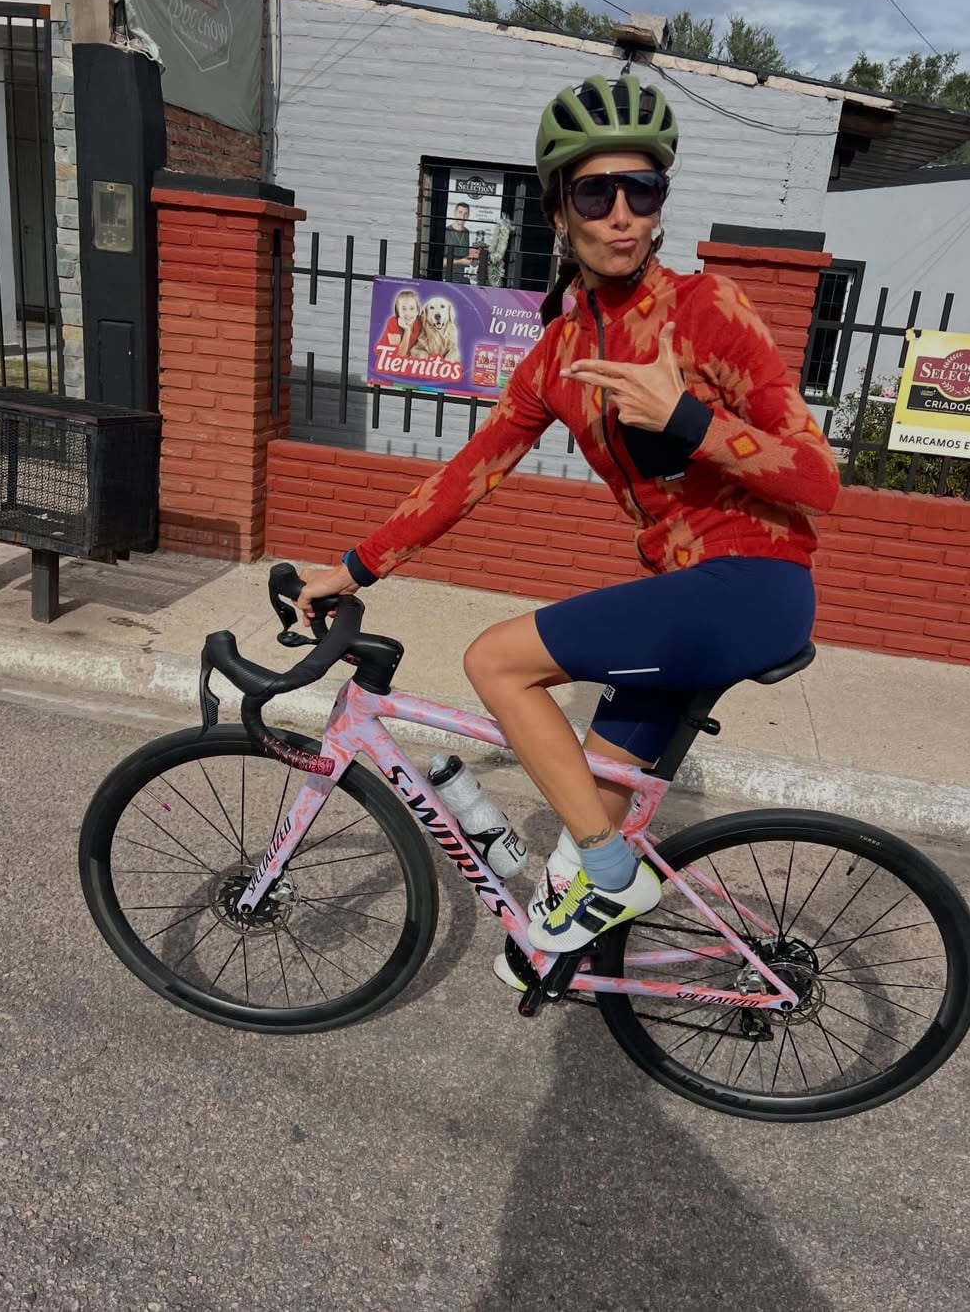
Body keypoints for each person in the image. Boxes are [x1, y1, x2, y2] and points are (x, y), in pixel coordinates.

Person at [295, 74, 841, 980]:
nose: (623, 215)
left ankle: (614, 876)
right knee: (585, 802)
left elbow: (820, 478)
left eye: (644, 190)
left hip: (753, 583)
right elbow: (473, 472)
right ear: (560, 210)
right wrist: (355, 566)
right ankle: (599, 942)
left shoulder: (707, 310)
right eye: (598, 193)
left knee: (495, 660)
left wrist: (690, 418)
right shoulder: (558, 354)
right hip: (684, 594)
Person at [375, 288, 421, 356]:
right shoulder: (393, 322)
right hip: (386, 360)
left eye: (412, 308)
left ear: (417, 311)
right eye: (403, 309)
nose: (408, 313)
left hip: (406, 361)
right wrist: (407, 330)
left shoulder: (419, 323)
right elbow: (399, 356)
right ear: (398, 312)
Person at [444, 203, 473, 282]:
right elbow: (439, 261)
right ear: (454, 213)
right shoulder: (445, 231)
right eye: (460, 212)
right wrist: (461, 262)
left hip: (462, 278)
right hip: (447, 277)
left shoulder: (467, 232)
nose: (462, 217)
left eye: (465, 214)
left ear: (468, 216)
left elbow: (466, 256)